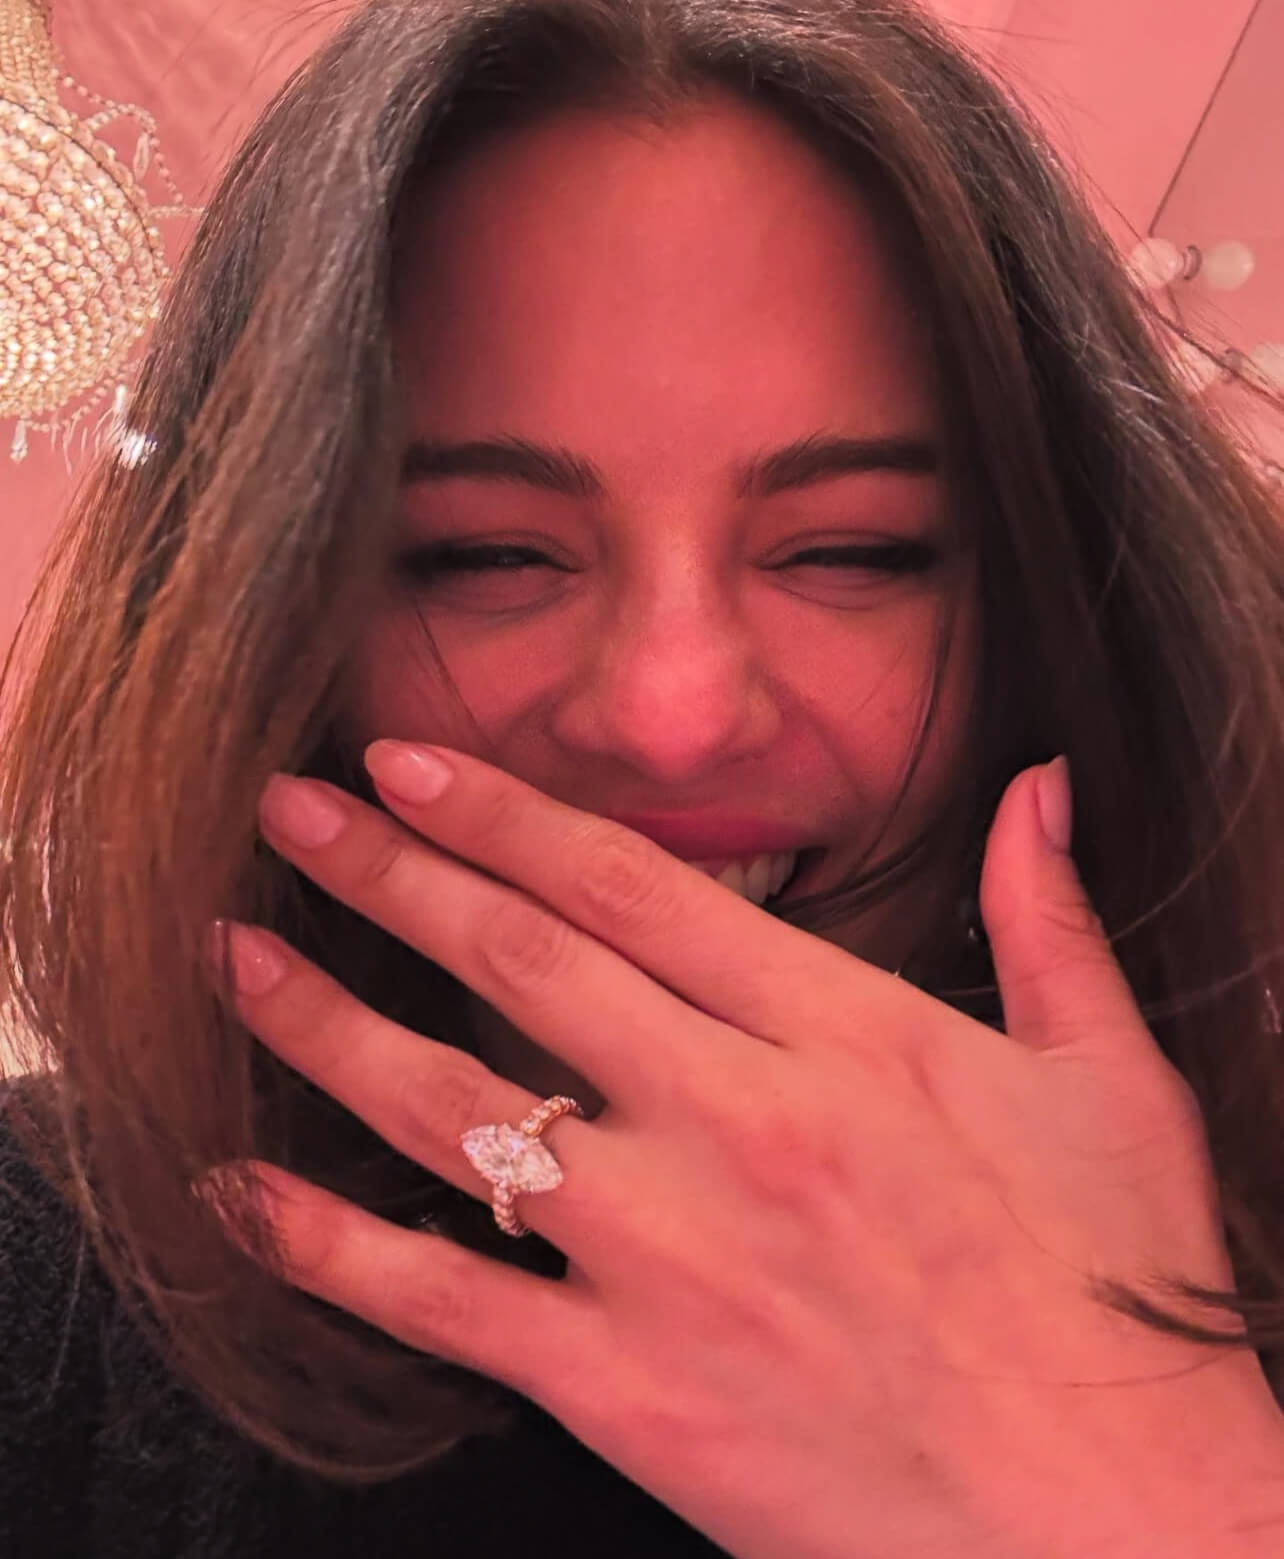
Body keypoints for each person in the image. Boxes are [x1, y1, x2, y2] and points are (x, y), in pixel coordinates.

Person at [2, 0, 1283, 1553]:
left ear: (1061, 610)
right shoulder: (48, 1277)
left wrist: (1161, 1496)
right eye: (483, 555)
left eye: (855, 550)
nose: (674, 719)